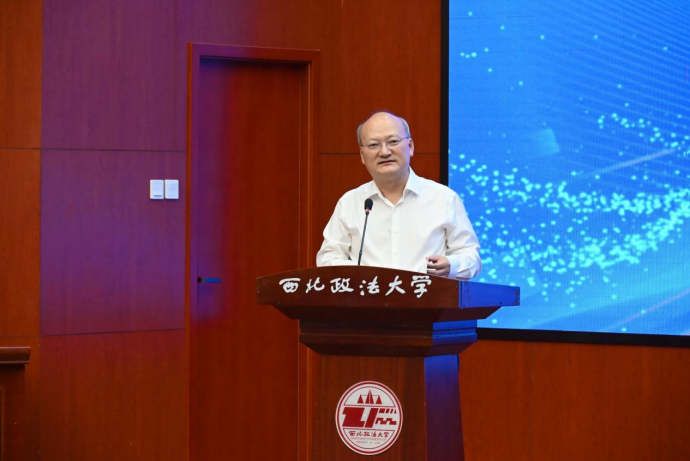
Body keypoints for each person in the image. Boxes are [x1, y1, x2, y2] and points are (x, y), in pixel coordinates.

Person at [316, 111, 482, 279]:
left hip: (427, 295)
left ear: (410, 146)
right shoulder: (350, 203)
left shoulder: (444, 198)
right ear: (362, 156)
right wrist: (359, 274)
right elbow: (328, 257)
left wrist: (451, 265)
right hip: (369, 294)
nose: (384, 152)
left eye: (393, 141)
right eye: (373, 145)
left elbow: (471, 257)